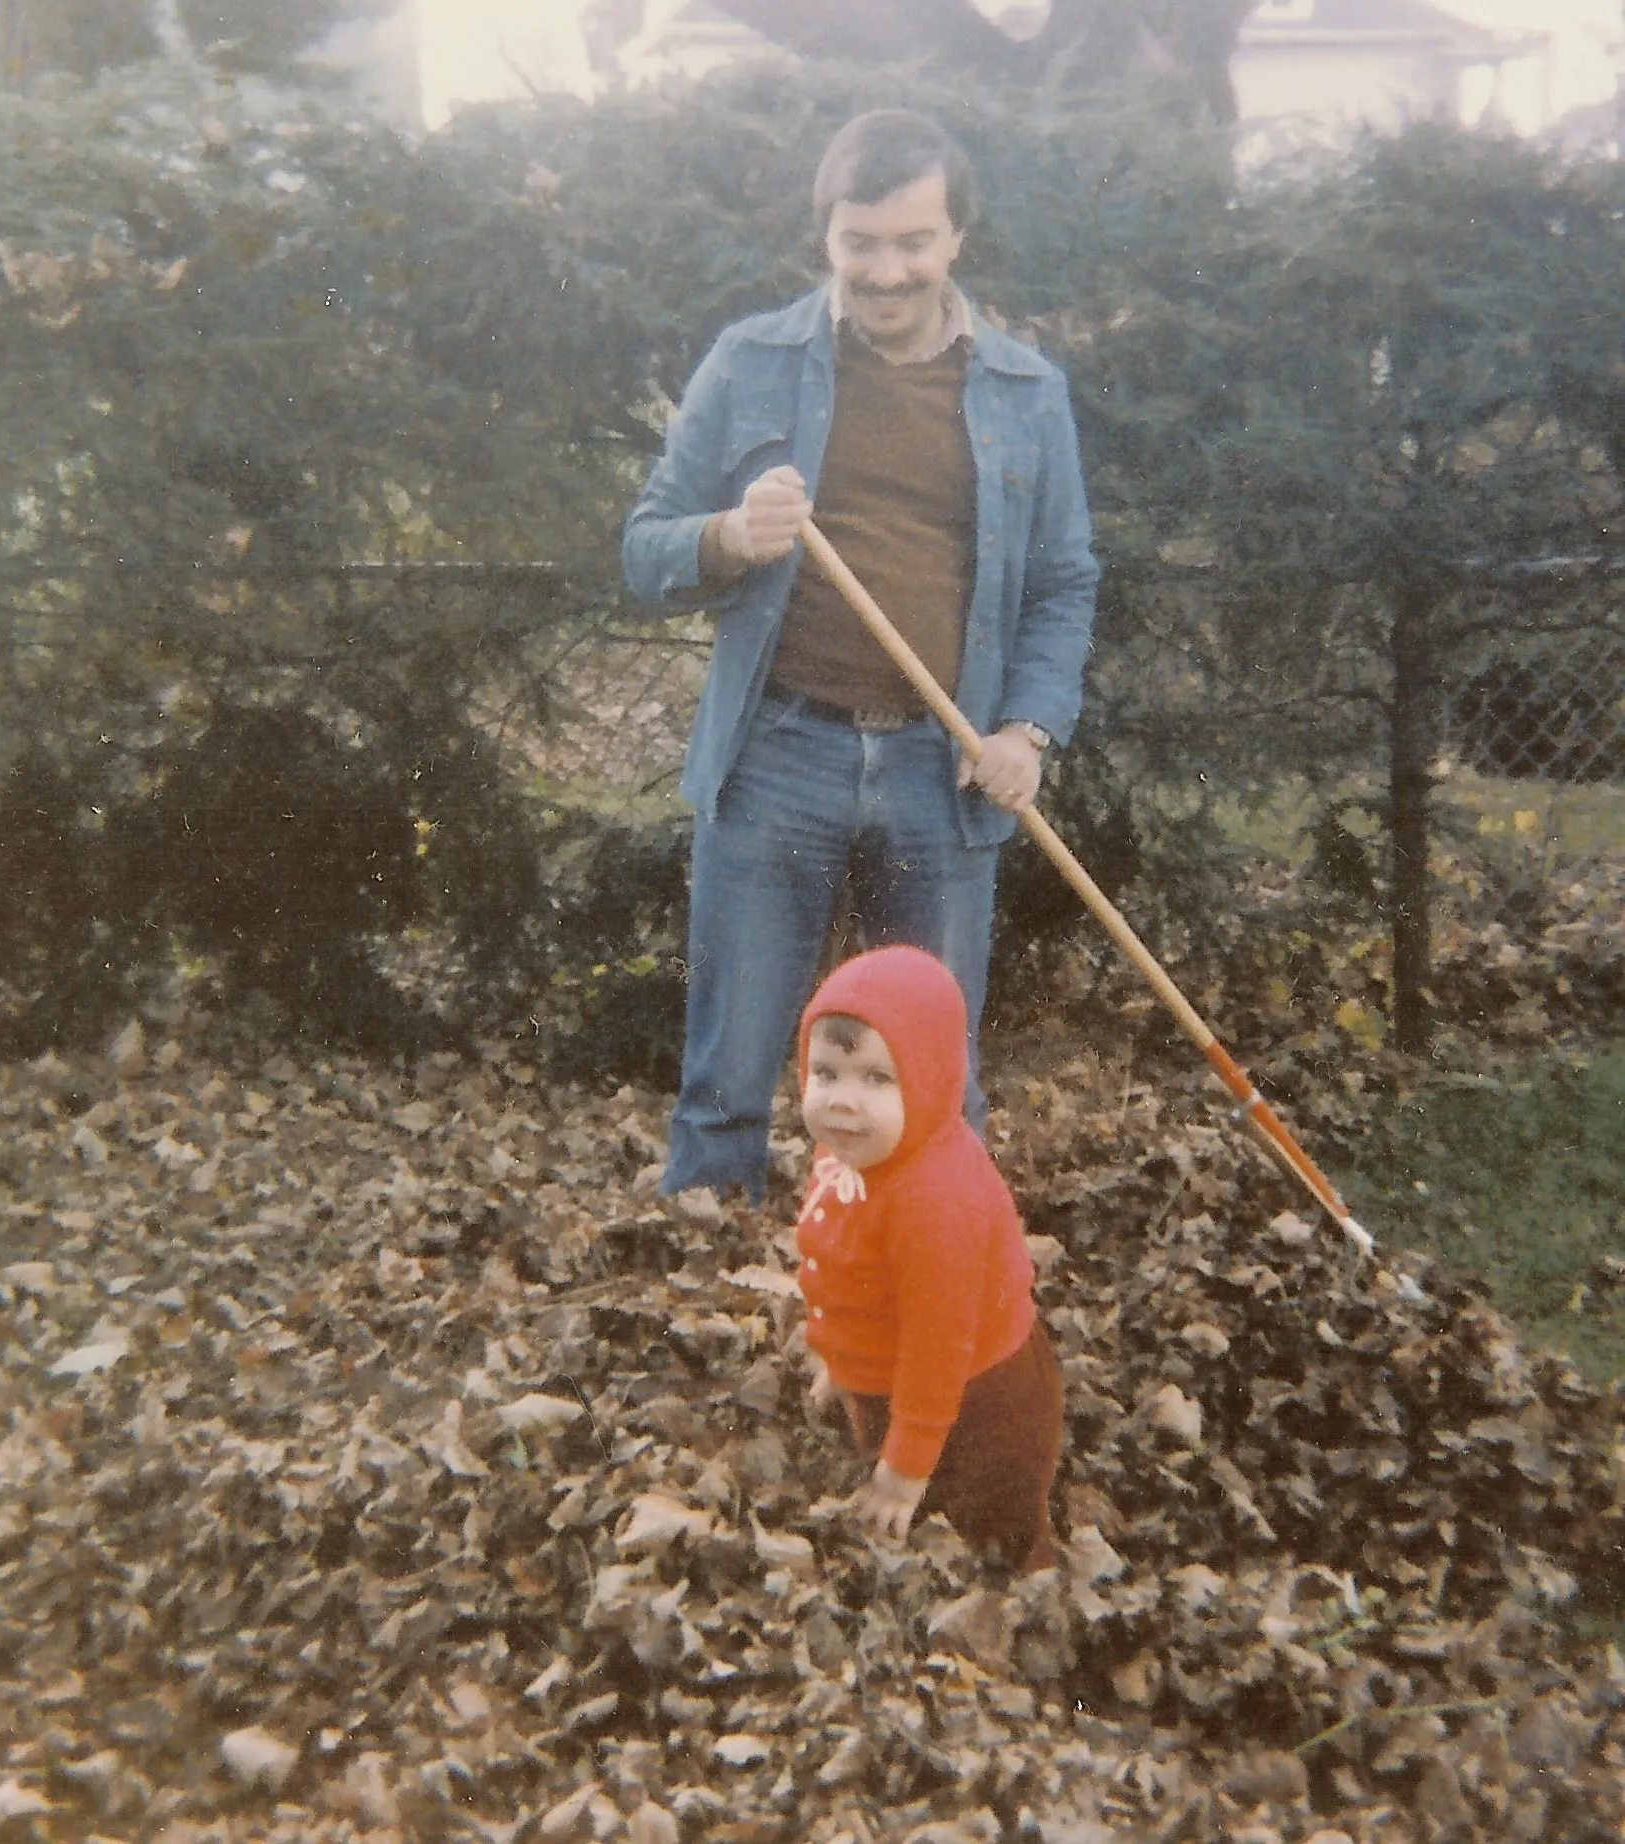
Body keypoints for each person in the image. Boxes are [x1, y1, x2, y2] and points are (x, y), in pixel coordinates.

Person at [622, 106, 1099, 1201]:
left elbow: (1065, 581)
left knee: (929, 1067)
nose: (885, 271)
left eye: (911, 242)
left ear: (955, 239)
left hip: (943, 764)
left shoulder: (1027, 393)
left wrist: (1026, 727)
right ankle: (703, 1260)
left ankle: (925, 1266)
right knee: (730, 1065)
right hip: (779, 748)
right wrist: (728, 537)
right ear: (824, 237)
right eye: (859, 243)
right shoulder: (750, 362)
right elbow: (643, 546)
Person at [795, 944, 1062, 1571]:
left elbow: (937, 1347)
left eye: (877, 1079)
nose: (843, 1101)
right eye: (826, 1073)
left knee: (992, 1523)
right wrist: (841, 1359)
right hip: (892, 1377)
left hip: (979, 1391)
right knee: (903, 1530)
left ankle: (1024, 1605)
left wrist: (904, 1471)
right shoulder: (855, 1152)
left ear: (931, 1077)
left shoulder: (934, 1202)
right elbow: (850, 1272)